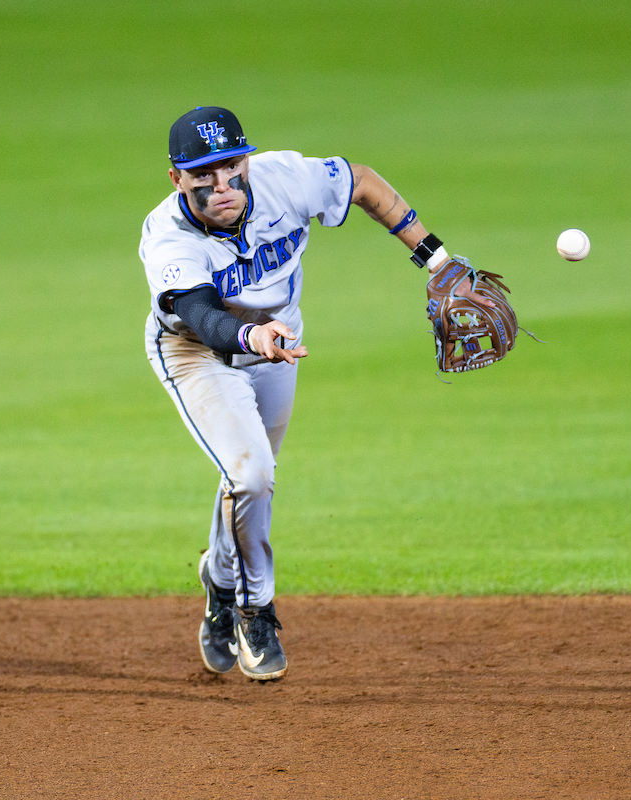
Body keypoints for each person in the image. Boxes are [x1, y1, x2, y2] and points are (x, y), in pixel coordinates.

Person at [139, 106, 491, 681]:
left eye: (231, 166)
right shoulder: (168, 238)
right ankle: (256, 610)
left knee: (249, 476)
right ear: (176, 178)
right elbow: (202, 316)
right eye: (204, 174)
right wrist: (253, 334)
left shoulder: (285, 179)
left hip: (282, 343)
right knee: (251, 475)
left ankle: (220, 582)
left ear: (247, 161)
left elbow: (364, 183)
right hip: (198, 352)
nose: (222, 184)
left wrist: (437, 259)